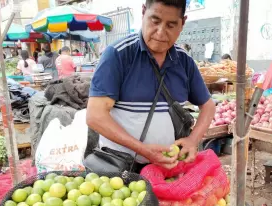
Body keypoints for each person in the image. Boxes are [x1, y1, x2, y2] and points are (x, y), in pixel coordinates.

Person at [87, 0, 215, 170]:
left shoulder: (184, 62)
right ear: (143, 12)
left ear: (182, 23)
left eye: (171, 25)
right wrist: (143, 150)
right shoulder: (118, 55)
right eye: (155, 21)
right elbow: (95, 116)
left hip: (168, 168)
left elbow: (208, 105)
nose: (161, 33)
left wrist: (193, 140)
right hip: (121, 168)